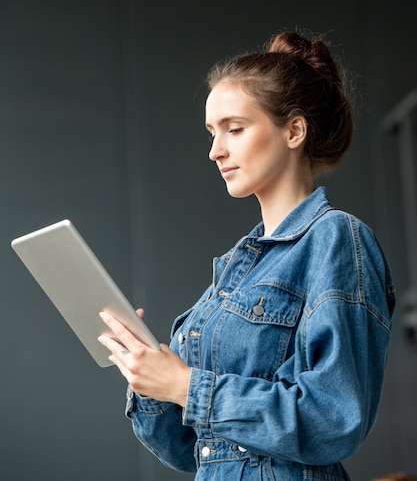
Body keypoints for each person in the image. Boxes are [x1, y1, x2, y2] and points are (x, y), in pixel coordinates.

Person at [98, 29, 396, 480]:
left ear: (294, 130)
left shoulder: (336, 239)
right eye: (212, 133)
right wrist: (149, 380)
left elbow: (334, 422)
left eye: (234, 129)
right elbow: (193, 452)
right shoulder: (237, 269)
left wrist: (185, 385)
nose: (216, 151)